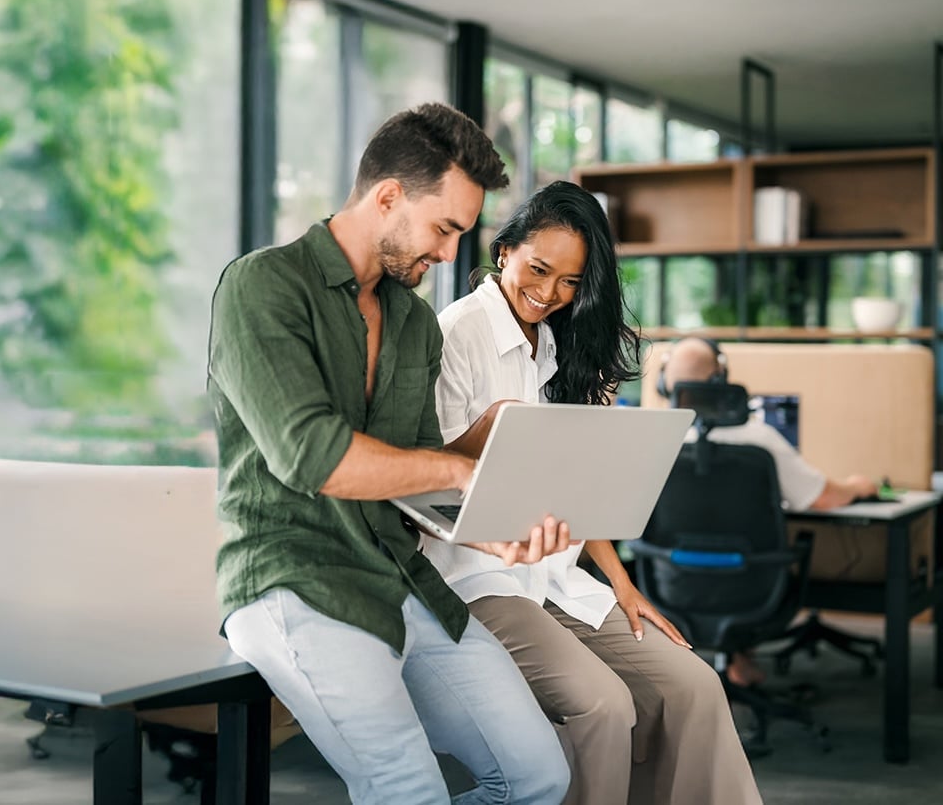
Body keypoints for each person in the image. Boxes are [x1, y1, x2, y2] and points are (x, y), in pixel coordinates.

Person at [206, 103, 572, 804]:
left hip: (398, 576)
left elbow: (407, 464)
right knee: (410, 791)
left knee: (537, 776)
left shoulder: (412, 322)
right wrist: (462, 469)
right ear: (387, 197)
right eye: (444, 229)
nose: (447, 255)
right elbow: (314, 456)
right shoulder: (263, 287)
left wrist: (493, 518)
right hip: (293, 576)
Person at [423, 181, 762, 805]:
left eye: (570, 282)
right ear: (504, 252)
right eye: (539, 269)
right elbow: (426, 475)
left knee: (692, 684)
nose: (550, 293)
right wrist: (493, 426)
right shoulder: (458, 333)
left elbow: (572, 488)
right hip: (479, 577)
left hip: (553, 576)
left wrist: (622, 584)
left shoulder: (550, 342)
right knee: (602, 705)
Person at [658, 335, 879, 686]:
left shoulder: (654, 438)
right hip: (755, 588)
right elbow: (823, 499)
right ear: (720, 379)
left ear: (663, 382)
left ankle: (733, 664)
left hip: (671, 585)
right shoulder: (757, 439)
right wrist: (858, 485)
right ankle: (738, 662)